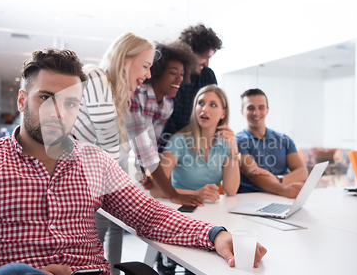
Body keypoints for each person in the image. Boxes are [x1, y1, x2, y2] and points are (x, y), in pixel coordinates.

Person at [0, 48, 267, 275]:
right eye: (45, 98)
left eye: (69, 103)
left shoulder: (94, 161)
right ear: (22, 101)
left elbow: (148, 215)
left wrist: (214, 233)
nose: (57, 111)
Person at [71, 32, 155, 275]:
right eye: (145, 66)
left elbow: (117, 152)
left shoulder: (118, 98)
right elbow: (108, 143)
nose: (148, 75)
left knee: (114, 224)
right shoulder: (96, 76)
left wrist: (138, 174)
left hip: (89, 182)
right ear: (125, 60)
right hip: (74, 186)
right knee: (91, 240)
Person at [150, 85, 240, 275]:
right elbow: (155, 188)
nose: (204, 109)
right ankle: (166, 264)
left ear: (223, 113)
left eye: (212, 105)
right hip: (180, 209)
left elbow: (231, 189)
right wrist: (193, 194)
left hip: (209, 211)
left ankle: (197, 272)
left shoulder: (225, 144)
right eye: (200, 103)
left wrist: (234, 149)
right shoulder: (179, 141)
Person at [129, 41, 197, 189]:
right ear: (156, 72)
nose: (179, 79)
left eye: (182, 75)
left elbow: (152, 144)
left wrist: (143, 174)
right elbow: (140, 144)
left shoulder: (167, 105)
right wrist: (172, 194)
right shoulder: (136, 94)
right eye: (173, 73)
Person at [160, 24, 223, 152]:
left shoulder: (207, 75)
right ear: (189, 53)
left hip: (194, 148)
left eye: (209, 58)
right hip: (165, 145)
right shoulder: (169, 74)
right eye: (204, 57)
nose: (206, 63)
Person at [237, 88, 308, 197]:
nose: (256, 113)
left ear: (267, 110)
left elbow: (302, 172)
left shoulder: (284, 139)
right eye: (251, 108)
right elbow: (254, 174)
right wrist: (284, 189)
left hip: (283, 198)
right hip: (251, 199)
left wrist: (277, 179)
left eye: (261, 107)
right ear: (242, 112)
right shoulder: (238, 141)